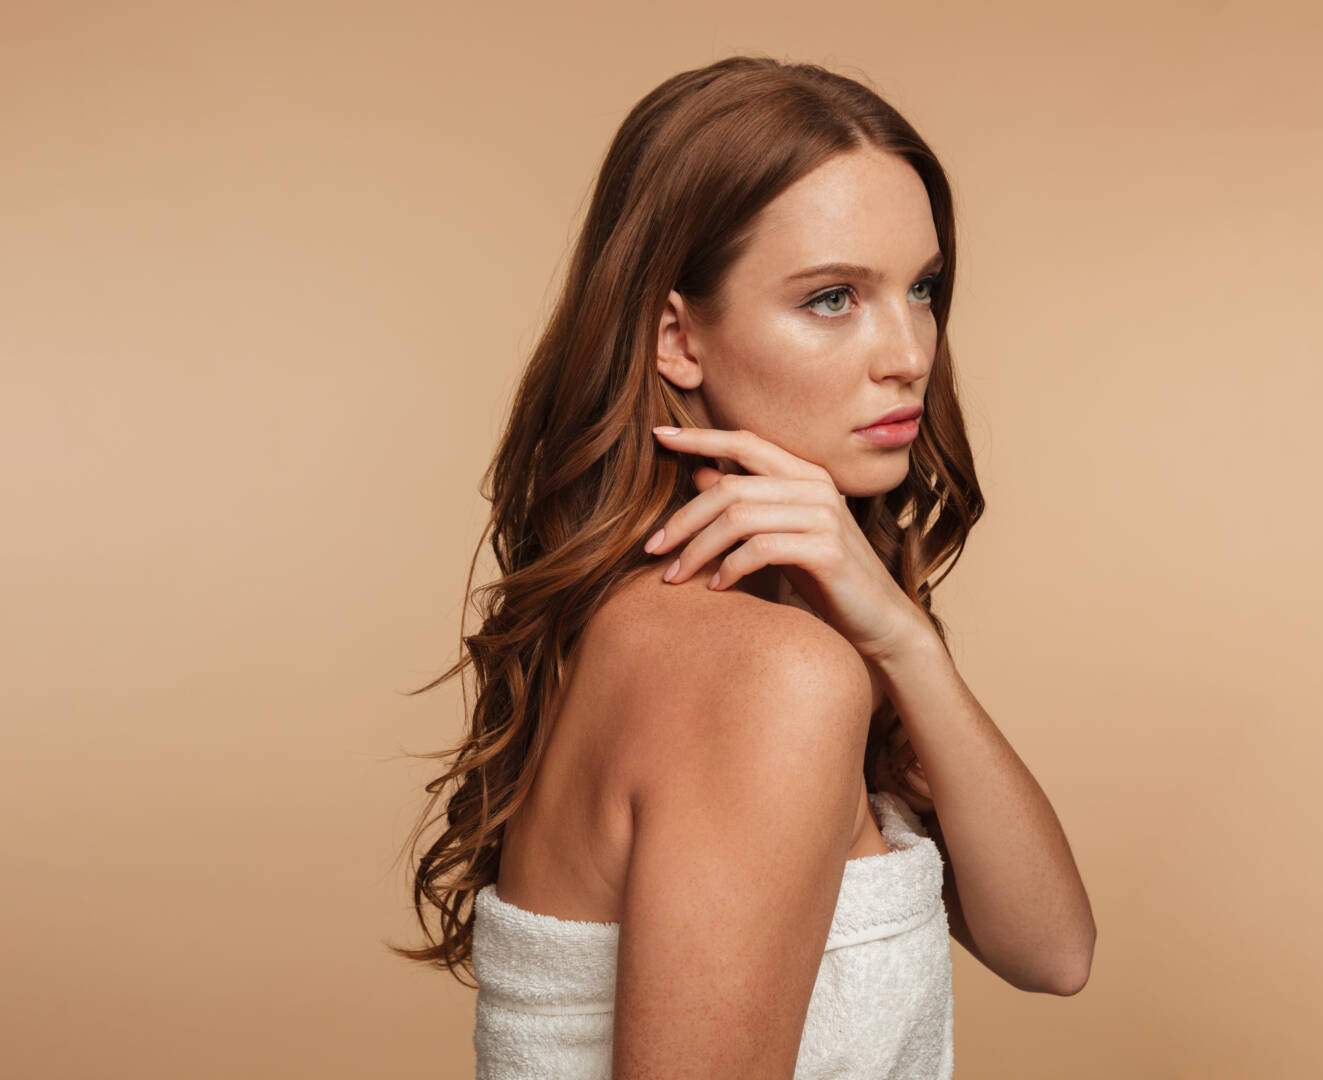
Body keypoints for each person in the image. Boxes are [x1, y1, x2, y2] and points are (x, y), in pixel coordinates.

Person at [391, 54, 1096, 1079]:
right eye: (831, 299)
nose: (907, 351)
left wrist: (898, 631)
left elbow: (1053, 951)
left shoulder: (713, 629)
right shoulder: (762, 672)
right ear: (679, 338)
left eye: (923, 288)